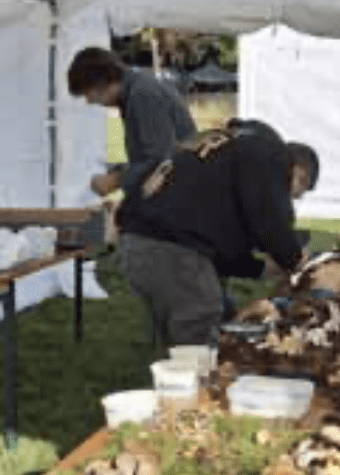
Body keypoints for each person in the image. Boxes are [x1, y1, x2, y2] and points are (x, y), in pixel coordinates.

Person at [117, 118, 320, 348]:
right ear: (298, 171)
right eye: (296, 193)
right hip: (172, 249)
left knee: (202, 331)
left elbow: (220, 250)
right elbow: (270, 218)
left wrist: (260, 269)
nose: (290, 201)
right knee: (200, 349)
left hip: (137, 243)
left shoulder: (235, 151)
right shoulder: (271, 152)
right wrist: (294, 259)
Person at [66, 47, 198, 198]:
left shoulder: (142, 94)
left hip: (177, 193)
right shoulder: (137, 89)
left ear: (101, 82)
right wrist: (122, 170)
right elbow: (151, 153)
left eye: (89, 93)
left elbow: (161, 161)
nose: (89, 101)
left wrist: (116, 180)